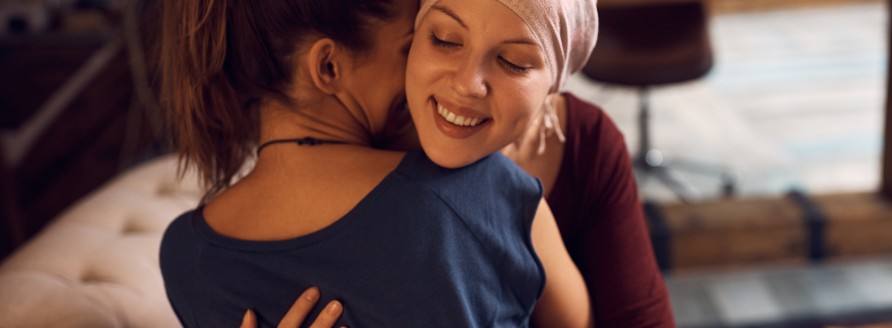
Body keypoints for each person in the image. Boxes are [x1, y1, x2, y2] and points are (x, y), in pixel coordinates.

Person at [156, 0, 591, 326]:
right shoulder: (482, 192)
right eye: (419, 45)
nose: (456, 84)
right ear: (328, 66)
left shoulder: (185, 255)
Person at [253, 0, 676, 326]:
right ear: (413, 37)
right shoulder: (361, 151)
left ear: (554, 85)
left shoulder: (587, 143)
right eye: (445, 40)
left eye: (514, 62)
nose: (466, 85)